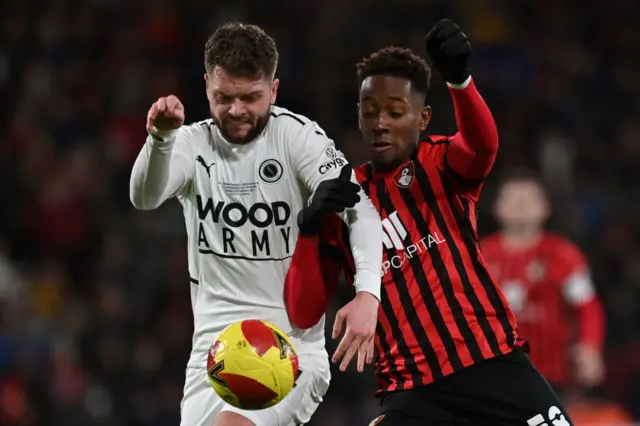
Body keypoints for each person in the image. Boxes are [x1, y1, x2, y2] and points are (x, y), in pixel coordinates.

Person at [284, 19, 575, 426]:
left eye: (395, 112)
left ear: (423, 118)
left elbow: (482, 147)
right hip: (413, 394)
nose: (381, 123)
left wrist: (460, 83)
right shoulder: (342, 200)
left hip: (491, 365)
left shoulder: (438, 163)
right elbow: (302, 311)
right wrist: (309, 230)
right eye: (370, 113)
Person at [129, 22, 383, 426]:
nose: (236, 110)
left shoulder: (297, 138)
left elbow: (362, 211)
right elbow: (143, 198)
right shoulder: (193, 143)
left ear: (274, 90)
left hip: (289, 345)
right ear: (207, 84)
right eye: (223, 97)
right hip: (213, 352)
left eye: (251, 97)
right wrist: (160, 139)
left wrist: (369, 293)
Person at [481, 169, 605, 397]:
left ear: (545, 208)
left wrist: (590, 347)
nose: (521, 204)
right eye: (513, 198)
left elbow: (587, 306)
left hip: (549, 376)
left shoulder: (563, 255)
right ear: (497, 208)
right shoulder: (478, 257)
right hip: (492, 374)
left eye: (529, 198)